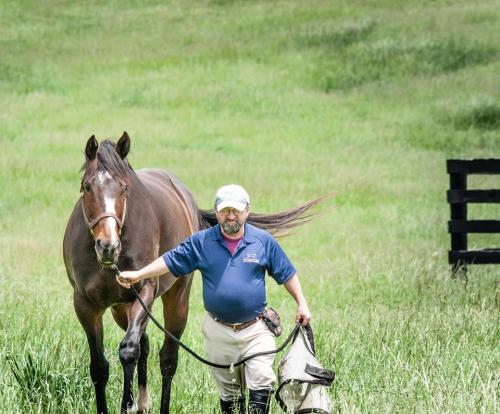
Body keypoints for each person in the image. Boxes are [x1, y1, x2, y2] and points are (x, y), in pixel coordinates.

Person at [116, 184, 311, 414]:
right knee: (229, 393)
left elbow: (286, 273)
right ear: (217, 213)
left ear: (247, 211)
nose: (231, 216)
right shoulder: (201, 242)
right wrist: (138, 274)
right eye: (225, 210)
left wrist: (302, 303)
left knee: (261, 380)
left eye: (236, 211)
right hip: (219, 330)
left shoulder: (263, 242)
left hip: (256, 329)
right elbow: (170, 260)